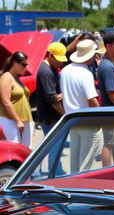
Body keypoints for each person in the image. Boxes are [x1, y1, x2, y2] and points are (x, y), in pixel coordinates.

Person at [59, 39, 102, 173]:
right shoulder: (85, 73)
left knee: (75, 157)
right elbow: (92, 100)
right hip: (86, 120)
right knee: (86, 160)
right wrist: (101, 116)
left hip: (72, 118)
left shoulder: (65, 70)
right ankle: (82, 186)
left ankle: (72, 184)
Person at [36, 42, 67, 174]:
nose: (61, 64)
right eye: (58, 60)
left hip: (49, 115)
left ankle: (54, 169)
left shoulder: (49, 68)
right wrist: (64, 114)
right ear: (50, 55)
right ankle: (55, 171)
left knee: (52, 145)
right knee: (54, 145)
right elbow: (51, 98)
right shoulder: (46, 72)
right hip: (50, 117)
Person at [97, 32, 114, 166]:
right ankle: (106, 171)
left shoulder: (108, 65)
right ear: (108, 46)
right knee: (109, 144)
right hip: (112, 112)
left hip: (113, 112)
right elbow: (112, 93)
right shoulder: (107, 67)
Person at [0, 51, 33, 147]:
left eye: (26, 64)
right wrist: (17, 121)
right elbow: (6, 101)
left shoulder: (16, 78)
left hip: (23, 120)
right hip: (11, 120)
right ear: (14, 63)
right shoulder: (6, 77)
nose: (26, 67)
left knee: (26, 152)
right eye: (23, 65)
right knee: (14, 149)